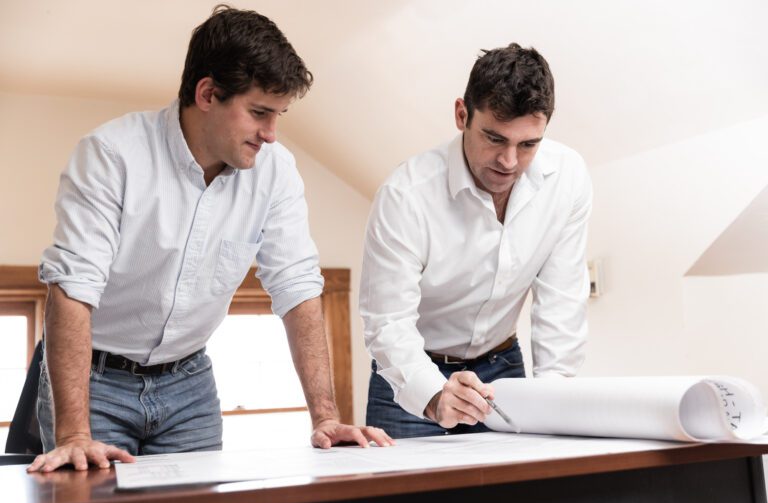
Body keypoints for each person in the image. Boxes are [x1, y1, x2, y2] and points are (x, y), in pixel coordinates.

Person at [29, 5, 393, 473]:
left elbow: (297, 286)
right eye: (259, 113)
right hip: (95, 383)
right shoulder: (111, 155)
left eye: (279, 115)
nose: (271, 134)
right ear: (207, 93)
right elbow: (73, 288)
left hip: (189, 385)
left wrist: (326, 417)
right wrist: (75, 435)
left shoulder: (276, 171)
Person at [361, 43, 592, 438]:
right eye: (494, 138)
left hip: (504, 368)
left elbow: (561, 301)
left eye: (528, 145)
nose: (508, 162)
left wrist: (553, 400)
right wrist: (432, 394)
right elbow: (387, 321)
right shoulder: (406, 194)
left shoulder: (567, 178)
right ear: (461, 115)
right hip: (412, 373)